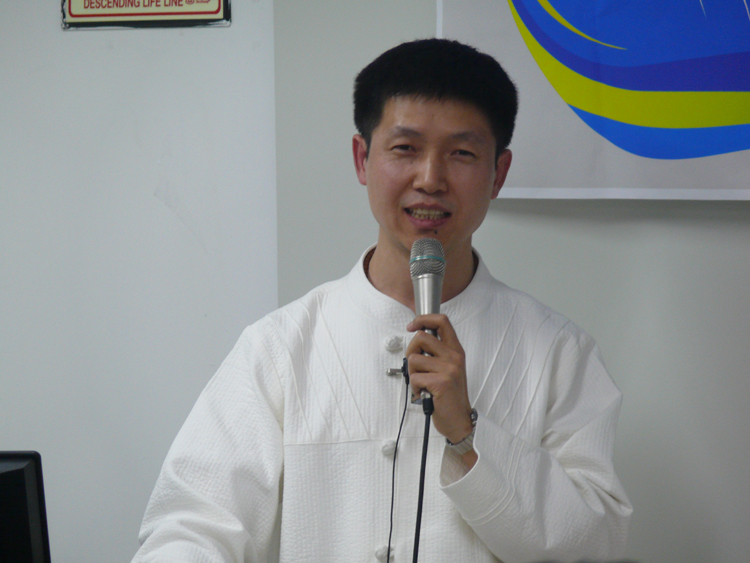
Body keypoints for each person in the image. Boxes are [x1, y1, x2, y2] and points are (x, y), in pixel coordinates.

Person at [132, 38, 632, 563]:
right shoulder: (279, 348)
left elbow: (595, 545)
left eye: (461, 153)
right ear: (362, 158)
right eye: (405, 148)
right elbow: (193, 526)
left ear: (498, 174)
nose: (430, 179)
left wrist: (468, 436)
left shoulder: (559, 352)